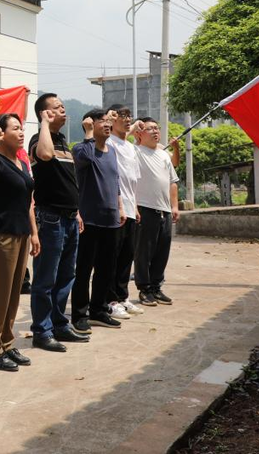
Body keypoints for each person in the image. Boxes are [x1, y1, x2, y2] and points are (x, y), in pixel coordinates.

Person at [27, 94, 88, 353]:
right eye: (57, 107)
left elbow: (68, 181)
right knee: (46, 278)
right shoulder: (38, 140)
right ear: (44, 113)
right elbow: (44, 154)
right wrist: (43, 123)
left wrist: (77, 212)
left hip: (69, 217)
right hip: (49, 218)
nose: (63, 109)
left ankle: (59, 324)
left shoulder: (64, 140)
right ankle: (41, 331)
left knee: (66, 275)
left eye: (63, 106)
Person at [0, 113, 40, 372]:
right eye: (15, 128)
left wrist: (34, 233)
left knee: (14, 294)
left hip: (22, 234)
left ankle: (6, 342)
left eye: (22, 128)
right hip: (1, 235)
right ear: (1, 134)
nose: (22, 132)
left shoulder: (22, 164)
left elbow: (29, 202)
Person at [70, 109, 126, 333]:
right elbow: (84, 159)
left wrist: (121, 206)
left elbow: (115, 180)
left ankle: (99, 310)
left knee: (106, 269)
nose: (107, 124)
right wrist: (87, 134)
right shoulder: (82, 148)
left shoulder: (112, 151)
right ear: (90, 124)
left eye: (107, 120)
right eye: (101, 121)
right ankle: (79, 314)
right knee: (83, 270)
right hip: (89, 219)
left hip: (111, 219)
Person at [132, 117, 180, 307]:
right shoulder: (135, 152)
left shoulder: (162, 155)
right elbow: (118, 145)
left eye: (157, 128)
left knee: (162, 251)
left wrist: (174, 207)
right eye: (150, 129)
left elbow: (172, 182)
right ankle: (144, 289)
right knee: (144, 252)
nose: (155, 131)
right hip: (145, 208)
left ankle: (156, 287)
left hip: (164, 210)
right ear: (139, 134)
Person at [106, 105, 144, 320]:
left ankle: (122, 297)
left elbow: (133, 181)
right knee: (113, 257)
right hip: (115, 209)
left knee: (127, 257)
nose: (127, 119)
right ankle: (110, 300)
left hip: (130, 208)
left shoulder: (129, 147)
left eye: (129, 116)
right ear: (112, 120)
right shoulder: (109, 143)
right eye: (122, 116)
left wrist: (135, 206)